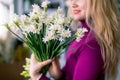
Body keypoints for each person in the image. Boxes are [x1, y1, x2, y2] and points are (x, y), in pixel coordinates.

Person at [29, 0, 120, 80]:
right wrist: (59, 76)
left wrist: (38, 77)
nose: (73, 4)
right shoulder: (81, 37)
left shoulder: (92, 45)